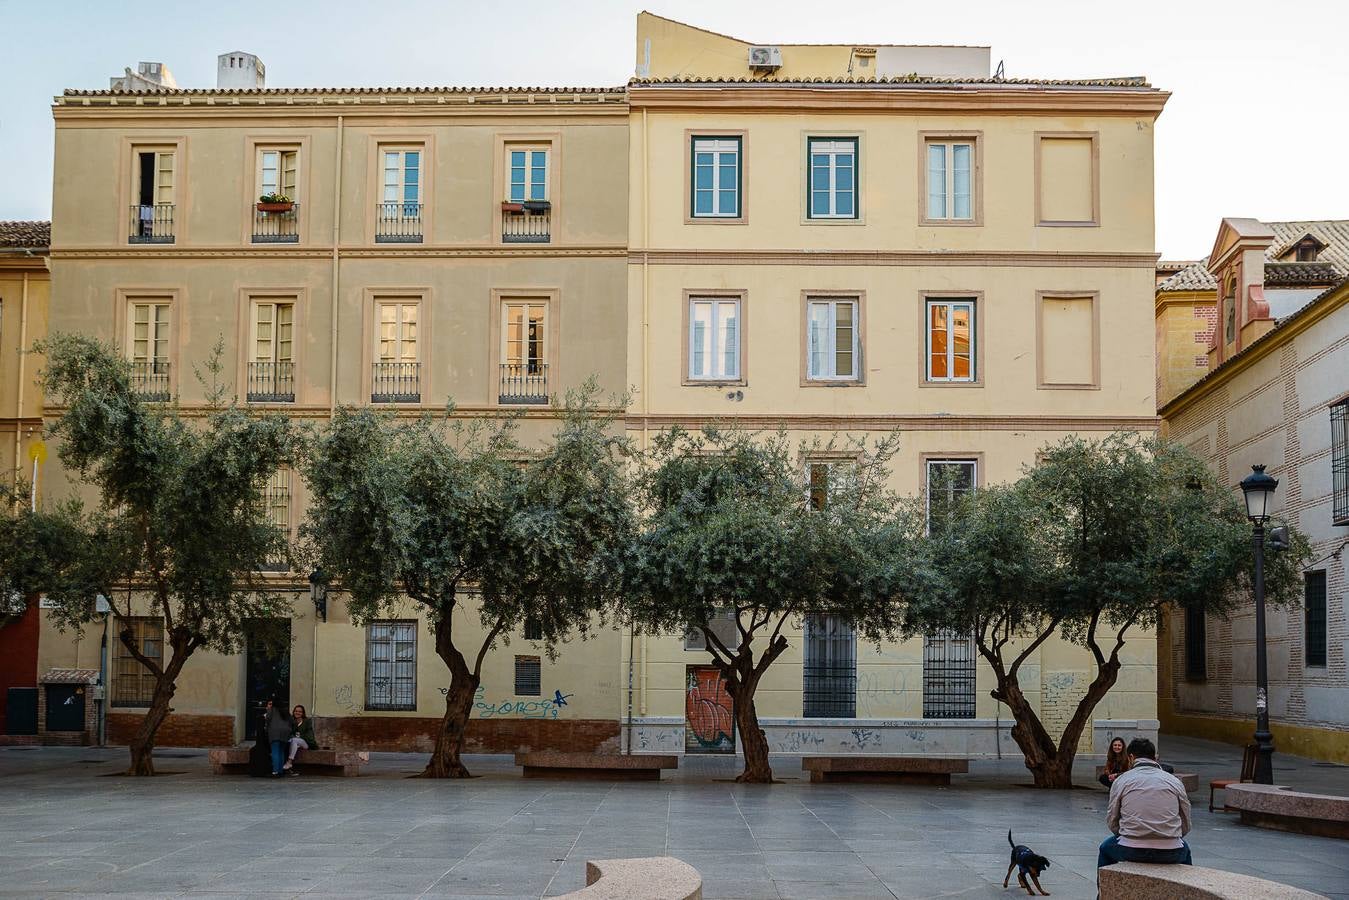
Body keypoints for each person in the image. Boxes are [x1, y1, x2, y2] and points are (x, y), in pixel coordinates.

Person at [1098, 737, 1193, 871]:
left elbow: (1112, 820)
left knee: (1105, 849)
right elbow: (1186, 822)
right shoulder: (1174, 781)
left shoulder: (1121, 780)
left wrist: (1129, 834)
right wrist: (1169, 835)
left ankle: (1103, 891)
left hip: (1130, 848)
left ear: (1131, 757)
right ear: (1154, 757)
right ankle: (1187, 890)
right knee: (1186, 851)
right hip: (1171, 850)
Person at [282, 704, 318, 775]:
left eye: (300, 711)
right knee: (291, 741)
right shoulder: (291, 721)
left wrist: (299, 736)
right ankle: (288, 768)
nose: (297, 713)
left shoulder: (307, 721)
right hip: (294, 742)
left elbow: (309, 735)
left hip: (305, 742)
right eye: (296, 711)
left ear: (303, 713)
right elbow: (289, 732)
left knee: (295, 740)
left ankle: (289, 762)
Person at [263, 697, 292, 778]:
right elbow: (291, 721)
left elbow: (267, 719)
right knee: (281, 751)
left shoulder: (272, 710)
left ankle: (275, 771)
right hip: (285, 733)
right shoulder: (286, 711)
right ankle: (280, 771)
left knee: (275, 751)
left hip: (275, 732)